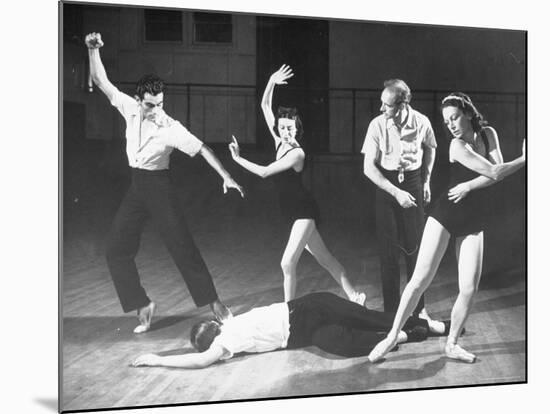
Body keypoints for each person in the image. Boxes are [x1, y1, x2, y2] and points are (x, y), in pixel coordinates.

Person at [85, 32, 244, 333]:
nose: (156, 111)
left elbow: (204, 150)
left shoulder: (171, 127)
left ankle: (215, 304)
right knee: (115, 249)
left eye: (159, 104)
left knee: (182, 247)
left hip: (159, 188)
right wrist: (92, 50)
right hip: (136, 186)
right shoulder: (129, 108)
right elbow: (101, 80)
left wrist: (227, 176)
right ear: (138, 100)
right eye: (150, 105)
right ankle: (142, 304)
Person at [367, 92, 526, 363]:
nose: (450, 124)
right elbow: (495, 172)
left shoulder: (488, 134)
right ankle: (392, 335)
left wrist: (468, 185)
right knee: (419, 280)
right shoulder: (455, 146)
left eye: (454, 118)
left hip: (474, 216)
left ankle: (451, 344)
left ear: (467, 113)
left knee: (469, 287)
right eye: (446, 120)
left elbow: (495, 171)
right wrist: (525, 159)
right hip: (446, 213)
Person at [228, 64, 365, 304]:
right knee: (326, 259)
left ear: (296, 127)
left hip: (304, 211)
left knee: (287, 262)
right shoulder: (279, 142)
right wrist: (270, 80)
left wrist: (238, 159)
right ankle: (355, 295)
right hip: (292, 213)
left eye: (289, 128)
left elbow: (264, 172)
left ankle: (288, 312)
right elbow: (264, 106)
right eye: (281, 127)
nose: (285, 131)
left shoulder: (296, 154)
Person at [131, 291, 447, 369]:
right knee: (344, 345)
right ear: (212, 331)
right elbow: (200, 359)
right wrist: (156, 359)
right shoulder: (226, 336)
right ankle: (408, 334)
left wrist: (157, 359)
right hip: (302, 334)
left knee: (366, 317)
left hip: (305, 308)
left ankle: (425, 325)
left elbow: (199, 360)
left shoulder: (227, 330)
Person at [361, 79, 437, 319]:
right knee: (388, 253)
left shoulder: (422, 122)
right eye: (381, 103)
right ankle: (391, 312)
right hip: (386, 186)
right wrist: (395, 192)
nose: (382, 109)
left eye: (387, 105)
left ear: (403, 104)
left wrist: (426, 181)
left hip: (413, 182)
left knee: (416, 250)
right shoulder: (376, 125)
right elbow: (368, 168)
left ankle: (419, 308)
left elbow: (431, 148)